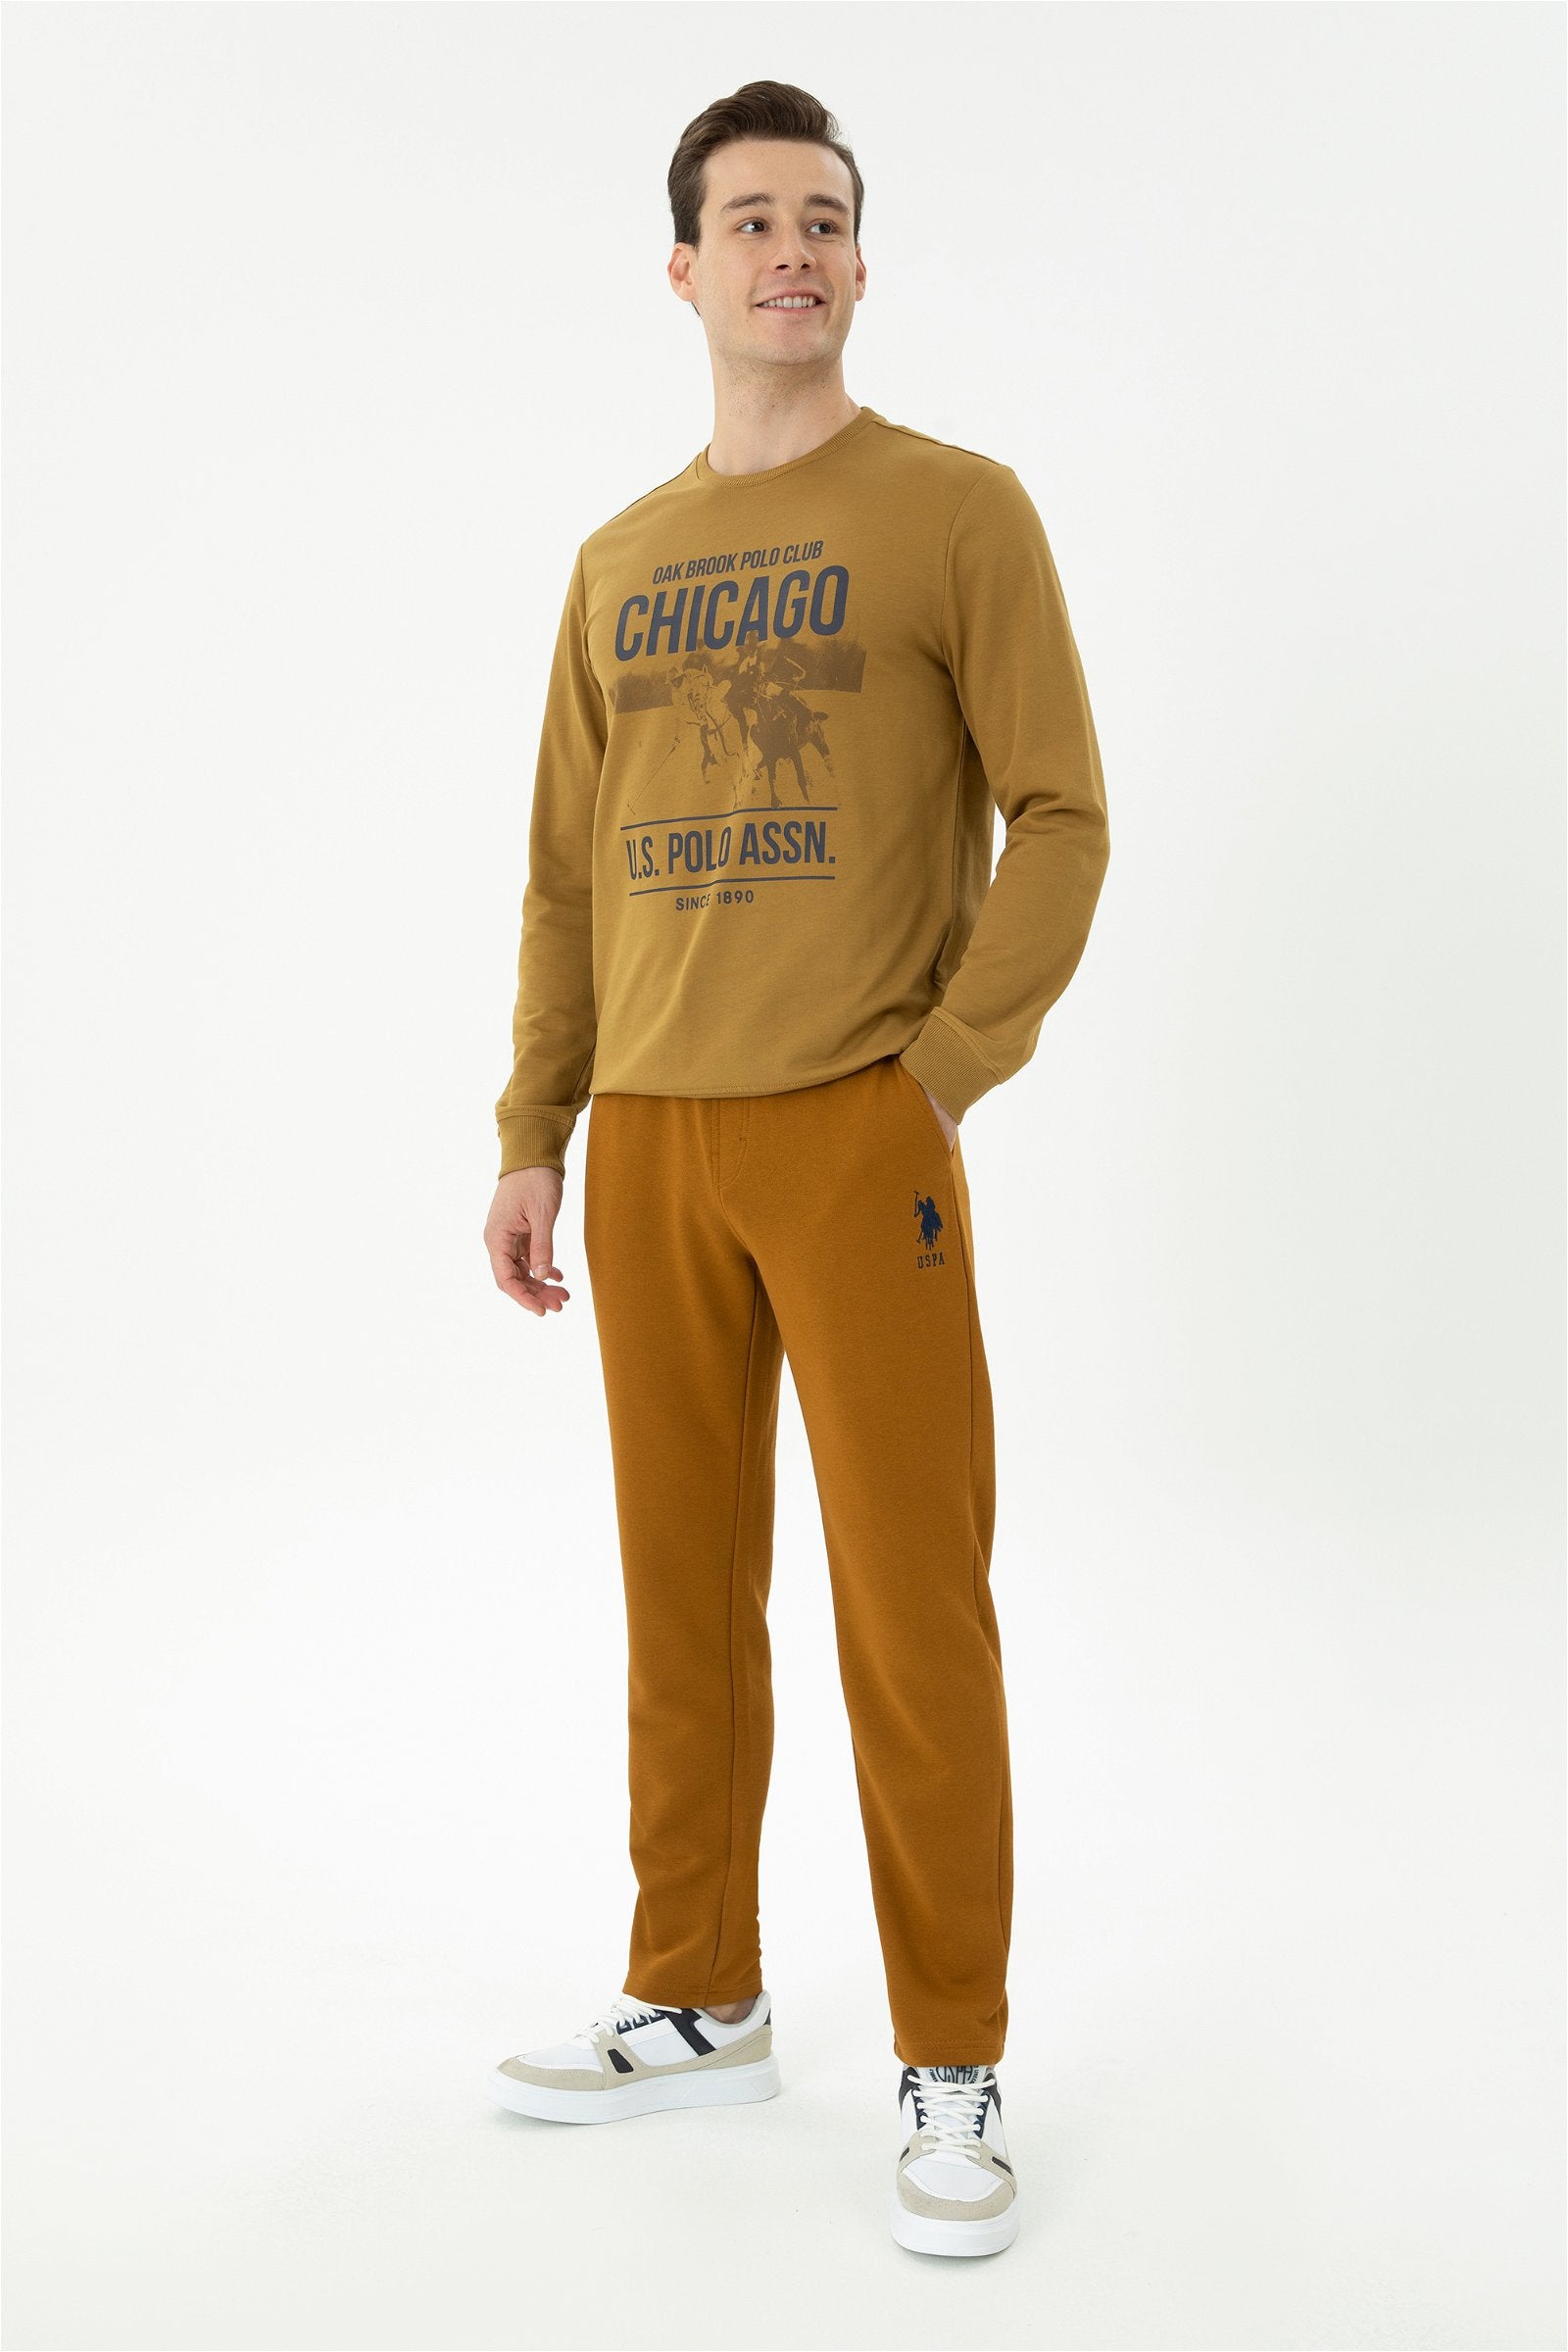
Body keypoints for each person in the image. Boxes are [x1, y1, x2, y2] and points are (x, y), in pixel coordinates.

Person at [481, 77, 1109, 2261]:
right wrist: (535, 1128)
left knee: (909, 1604)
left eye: (823, 218)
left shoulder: (955, 511)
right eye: (750, 220)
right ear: (683, 268)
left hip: (858, 1125)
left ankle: (953, 2055)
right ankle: (697, 1992)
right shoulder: (615, 562)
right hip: (649, 1137)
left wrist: (939, 1076)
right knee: (680, 1592)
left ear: (858, 260)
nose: (791, 251)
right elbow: (564, 879)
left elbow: (1062, 813)